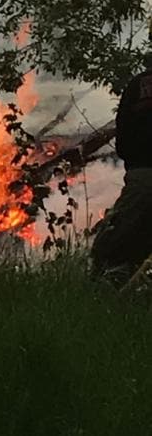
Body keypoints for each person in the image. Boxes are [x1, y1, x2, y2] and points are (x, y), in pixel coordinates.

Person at [91, 48, 152, 286]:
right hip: (143, 174)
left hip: (141, 175)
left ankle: (108, 284)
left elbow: (124, 138)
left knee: (120, 241)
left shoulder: (137, 85)